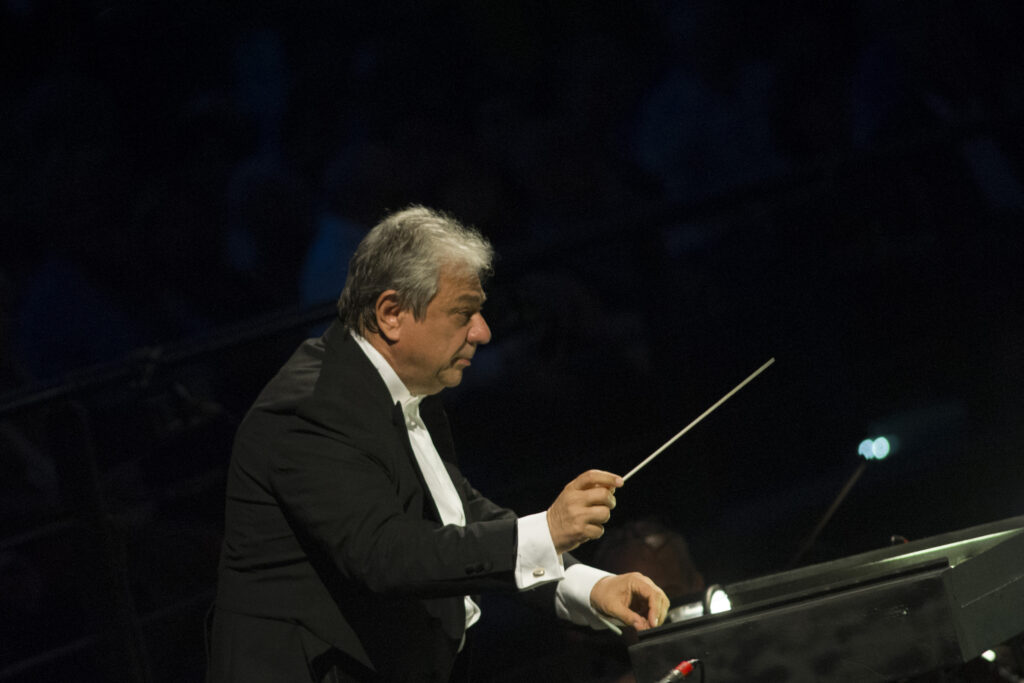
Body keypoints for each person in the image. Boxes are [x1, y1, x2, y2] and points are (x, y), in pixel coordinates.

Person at [209, 206, 669, 682]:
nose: (483, 331)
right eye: (463, 313)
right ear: (391, 314)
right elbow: (384, 554)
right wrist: (547, 530)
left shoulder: (405, 383)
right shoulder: (310, 409)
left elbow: (458, 513)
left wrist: (589, 586)